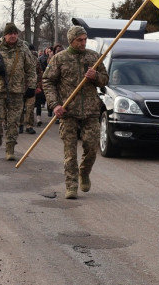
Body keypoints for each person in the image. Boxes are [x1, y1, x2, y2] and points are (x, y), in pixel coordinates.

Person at [42, 26, 109, 199]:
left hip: (91, 110)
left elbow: (105, 80)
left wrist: (96, 76)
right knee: (70, 152)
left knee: (92, 147)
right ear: (71, 40)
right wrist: (55, 105)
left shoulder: (93, 57)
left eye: (85, 39)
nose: (83, 42)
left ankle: (84, 172)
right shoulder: (59, 59)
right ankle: (71, 185)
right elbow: (47, 82)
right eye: (79, 40)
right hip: (68, 111)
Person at [0, 23, 38, 160]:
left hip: (16, 91)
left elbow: (31, 69)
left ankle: (10, 148)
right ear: (5, 35)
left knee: (13, 122)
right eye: (10, 33)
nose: (13, 36)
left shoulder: (23, 48)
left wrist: (31, 87)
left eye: (15, 33)